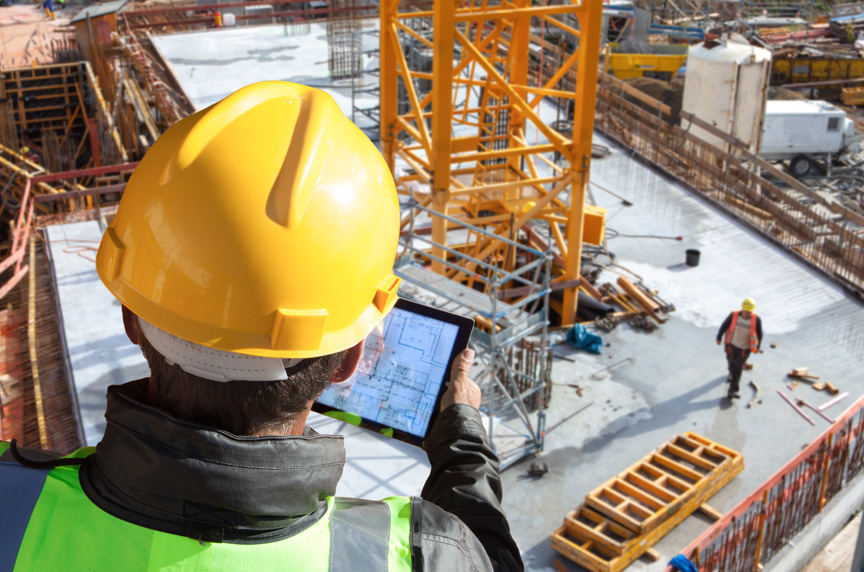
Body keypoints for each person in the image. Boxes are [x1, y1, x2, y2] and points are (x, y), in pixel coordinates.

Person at [0, 82, 523, 571]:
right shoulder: (411, 554)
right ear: (349, 358)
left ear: (130, 317)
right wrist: (462, 441)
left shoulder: (12, 500)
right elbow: (481, 555)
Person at [716, 298, 763, 400]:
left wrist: (757, 347)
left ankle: (733, 390)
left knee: (738, 368)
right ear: (742, 308)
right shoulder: (734, 315)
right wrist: (719, 336)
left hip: (744, 349)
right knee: (731, 363)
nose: (747, 313)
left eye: (749, 311)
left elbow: (760, 334)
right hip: (731, 345)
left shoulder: (756, 320)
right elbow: (724, 325)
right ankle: (730, 372)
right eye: (746, 311)